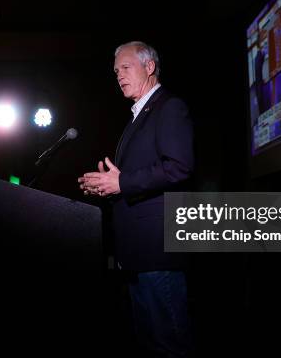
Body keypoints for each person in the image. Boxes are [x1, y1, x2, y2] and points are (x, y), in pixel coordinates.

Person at [77, 41, 195, 357]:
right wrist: (107, 185)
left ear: (149, 67)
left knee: (170, 345)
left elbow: (179, 166)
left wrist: (122, 182)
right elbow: (132, 180)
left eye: (126, 67)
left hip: (159, 252)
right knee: (150, 345)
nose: (119, 76)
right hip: (137, 254)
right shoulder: (136, 117)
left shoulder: (169, 107)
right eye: (116, 71)